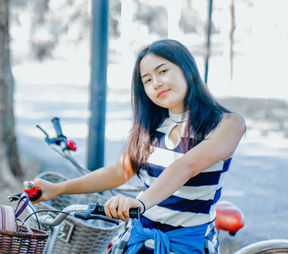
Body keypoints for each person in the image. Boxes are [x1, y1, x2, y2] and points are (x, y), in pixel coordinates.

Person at [33, 39, 245, 254]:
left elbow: (186, 166)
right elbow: (118, 171)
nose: (156, 83)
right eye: (147, 80)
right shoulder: (151, 128)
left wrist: (140, 203)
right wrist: (57, 189)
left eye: (162, 71)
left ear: (186, 69)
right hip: (139, 240)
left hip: (187, 245)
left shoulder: (226, 124)